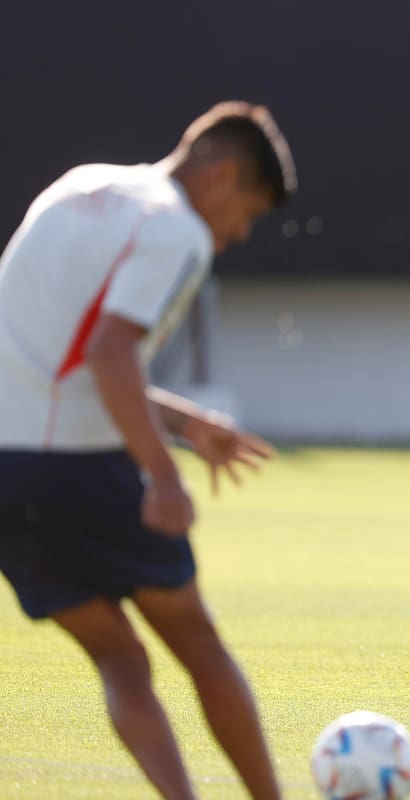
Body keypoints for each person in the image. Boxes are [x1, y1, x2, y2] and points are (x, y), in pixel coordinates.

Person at [0, 101, 297, 798]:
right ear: (223, 175)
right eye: (247, 214)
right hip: (76, 467)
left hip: (3, 469)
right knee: (196, 641)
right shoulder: (177, 230)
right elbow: (110, 353)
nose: (234, 235)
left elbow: (47, 360)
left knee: (120, 656)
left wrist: (185, 422)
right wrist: (163, 476)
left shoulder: (76, 188)